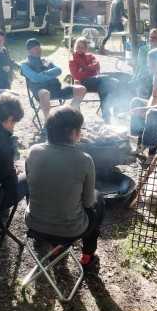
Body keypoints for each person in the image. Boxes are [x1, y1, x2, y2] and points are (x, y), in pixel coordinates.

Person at [26, 106, 104, 268]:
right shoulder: (84, 159)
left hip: (34, 224)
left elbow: (32, 185)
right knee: (99, 200)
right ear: (73, 133)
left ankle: (55, 248)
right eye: (79, 129)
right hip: (70, 230)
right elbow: (89, 203)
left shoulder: (33, 151)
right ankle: (88, 255)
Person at [21, 38, 86, 121]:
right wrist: (50, 74)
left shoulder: (46, 60)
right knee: (45, 92)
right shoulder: (25, 65)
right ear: (29, 51)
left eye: (39, 47)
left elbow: (59, 70)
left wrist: (43, 74)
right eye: (36, 48)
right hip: (40, 92)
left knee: (81, 89)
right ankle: (48, 122)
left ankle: (70, 114)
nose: (39, 50)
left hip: (57, 89)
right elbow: (35, 78)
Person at [69, 37, 119, 122]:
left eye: (82, 47)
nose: (79, 49)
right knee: (107, 82)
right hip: (82, 83)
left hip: (95, 82)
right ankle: (107, 116)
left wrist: (84, 69)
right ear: (75, 47)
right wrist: (90, 70)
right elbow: (77, 75)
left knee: (104, 87)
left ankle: (107, 118)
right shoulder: (73, 59)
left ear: (85, 48)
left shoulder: (90, 56)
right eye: (78, 47)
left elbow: (97, 66)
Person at [130, 28, 157, 98]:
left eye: (154, 37)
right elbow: (140, 66)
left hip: (156, 81)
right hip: (143, 80)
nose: (151, 39)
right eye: (150, 37)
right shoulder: (143, 49)